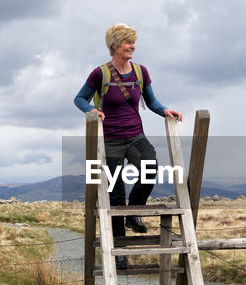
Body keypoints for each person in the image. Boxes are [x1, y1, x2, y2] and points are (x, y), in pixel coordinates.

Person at [74, 23, 183, 269]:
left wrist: (165, 110)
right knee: (115, 195)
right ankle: (119, 251)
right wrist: (93, 110)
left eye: (134, 42)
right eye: (127, 42)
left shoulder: (140, 72)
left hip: (135, 135)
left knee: (149, 165)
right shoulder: (99, 74)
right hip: (110, 138)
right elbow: (79, 98)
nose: (132, 46)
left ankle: (135, 211)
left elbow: (151, 101)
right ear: (115, 46)